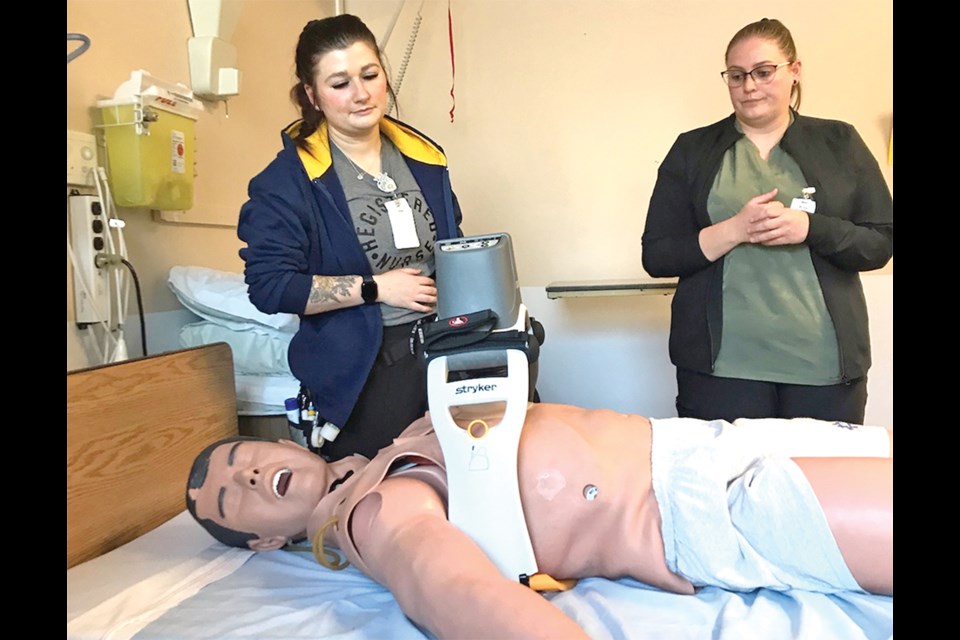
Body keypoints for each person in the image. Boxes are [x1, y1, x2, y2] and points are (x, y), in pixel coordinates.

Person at [186, 402, 893, 639]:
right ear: (267, 541)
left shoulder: (393, 440)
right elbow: (441, 582)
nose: (245, 475)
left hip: (713, 441)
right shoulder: (369, 511)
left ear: (281, 442)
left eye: (243, 458)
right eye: (231, 498)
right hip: (700, 505)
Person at [641, 18, 893, 424]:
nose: (749, 86)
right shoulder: (692, 150)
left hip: (823, 368)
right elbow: (657, 255)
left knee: (820, 485)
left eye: (763, 72)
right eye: (737, 76)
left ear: (794, 71)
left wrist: (810, 229)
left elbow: (880, 243)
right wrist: (734, 229)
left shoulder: (839, 142)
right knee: (726, 485)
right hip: (720, 370)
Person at [236, 15, 463, 461]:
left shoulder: (425, 159)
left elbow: (452, 246)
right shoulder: (287, 182)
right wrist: (375, 289)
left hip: (445, 345)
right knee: (388, 495)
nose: (360, 93)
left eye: (370, 75)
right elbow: (270, 286)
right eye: (339, 83)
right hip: (368, 365)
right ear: (312, 94)